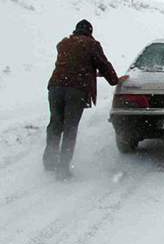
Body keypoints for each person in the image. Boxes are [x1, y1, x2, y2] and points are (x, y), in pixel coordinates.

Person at [44, 19, 119, 180]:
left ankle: (49, 160)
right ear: (90, 32)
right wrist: (115, 80)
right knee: (70, 128)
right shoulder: (91, 44)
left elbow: (73, 63)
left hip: (55, 87)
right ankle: (63, 169)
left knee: (55, 123)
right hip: (76, 90)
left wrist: (89, 71)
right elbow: (103, 65)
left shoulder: (64, 43)